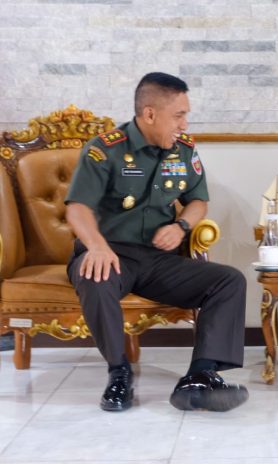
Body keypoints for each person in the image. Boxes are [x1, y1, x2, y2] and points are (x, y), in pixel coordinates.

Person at [65, 72, 248, 412]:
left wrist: (181, 225)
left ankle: (200, 376)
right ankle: (119, 374)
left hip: (158, 259)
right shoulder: (104, 151)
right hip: (112, 254)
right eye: (178, 115)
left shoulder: (184, 150)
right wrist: (97, 246)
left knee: (228, 280)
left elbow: (198, 201)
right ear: (149, 114)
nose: (184, 123)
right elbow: (77, 208)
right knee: (95, 276)